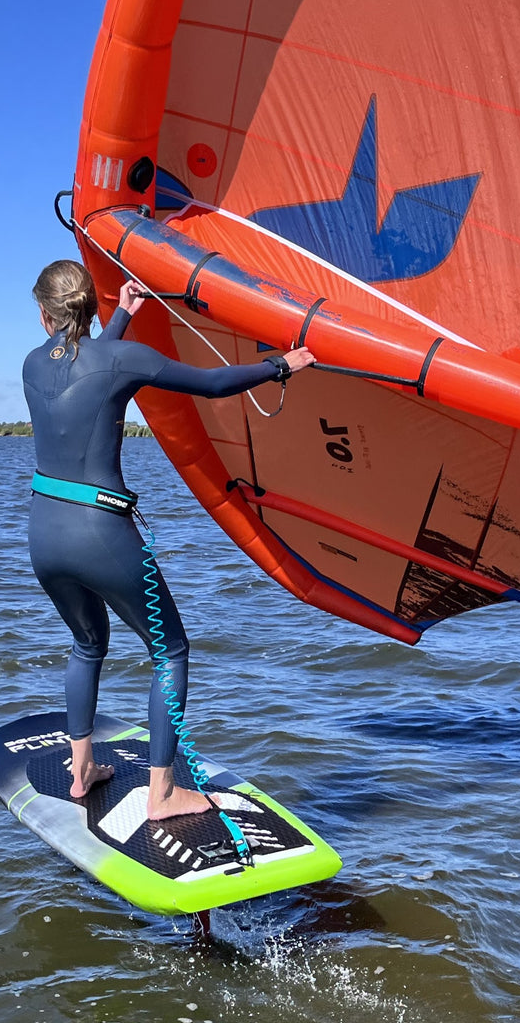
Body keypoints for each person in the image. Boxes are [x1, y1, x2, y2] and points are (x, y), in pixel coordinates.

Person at [22, 259, 315, 820]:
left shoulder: (33, 365)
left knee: (87, 644)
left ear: (43, 315)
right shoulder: (122, 359)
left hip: (43, 532)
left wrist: (123, 318)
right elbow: (210, 384)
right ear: (91, 305)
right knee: (171, 651)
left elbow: (87, 369)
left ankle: (80, 769)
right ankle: (161, 796)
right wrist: (283, 364)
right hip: (100, 531)